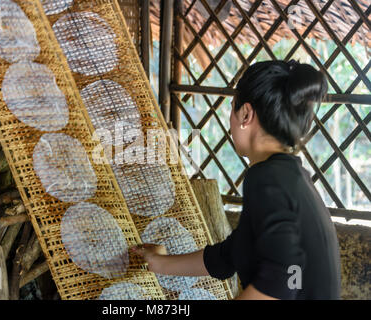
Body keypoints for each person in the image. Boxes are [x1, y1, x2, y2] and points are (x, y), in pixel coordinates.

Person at [131, 60, 341, 300]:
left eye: (232, 108)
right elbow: (228, 256)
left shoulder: (267, 178)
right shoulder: (292, 177)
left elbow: (282, 281)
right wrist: (159, 262)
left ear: (245, 114)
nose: (230, 120)